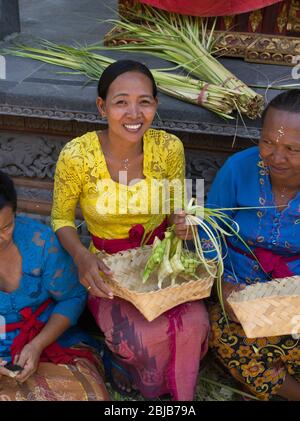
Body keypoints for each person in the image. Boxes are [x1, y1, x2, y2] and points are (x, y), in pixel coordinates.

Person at [51, 59, 209, 400]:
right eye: (121, 101)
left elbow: (177, 209)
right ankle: (138, 376)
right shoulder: (77, 155)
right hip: (107, 270)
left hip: (160, 265)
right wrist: (81, 257)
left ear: (155, 106)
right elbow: (61, 219)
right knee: (144, 338)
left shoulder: (169, 149)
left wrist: (185, 224)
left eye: (145, 102)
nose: (133, 113)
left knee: (194, 324)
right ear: (102, 106)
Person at [205, 89, 300, 401]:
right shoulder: (238, 169)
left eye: (292, 149)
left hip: (295, 299)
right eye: (267, 142)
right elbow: (209, 232)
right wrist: (221, 287)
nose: (276, 157)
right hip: (239, 298)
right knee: (227, 337)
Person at [0, 171, 109, 401]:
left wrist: (37, 344)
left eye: (6, 228)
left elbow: (72, 297)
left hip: (50, 341)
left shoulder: (41, 243)